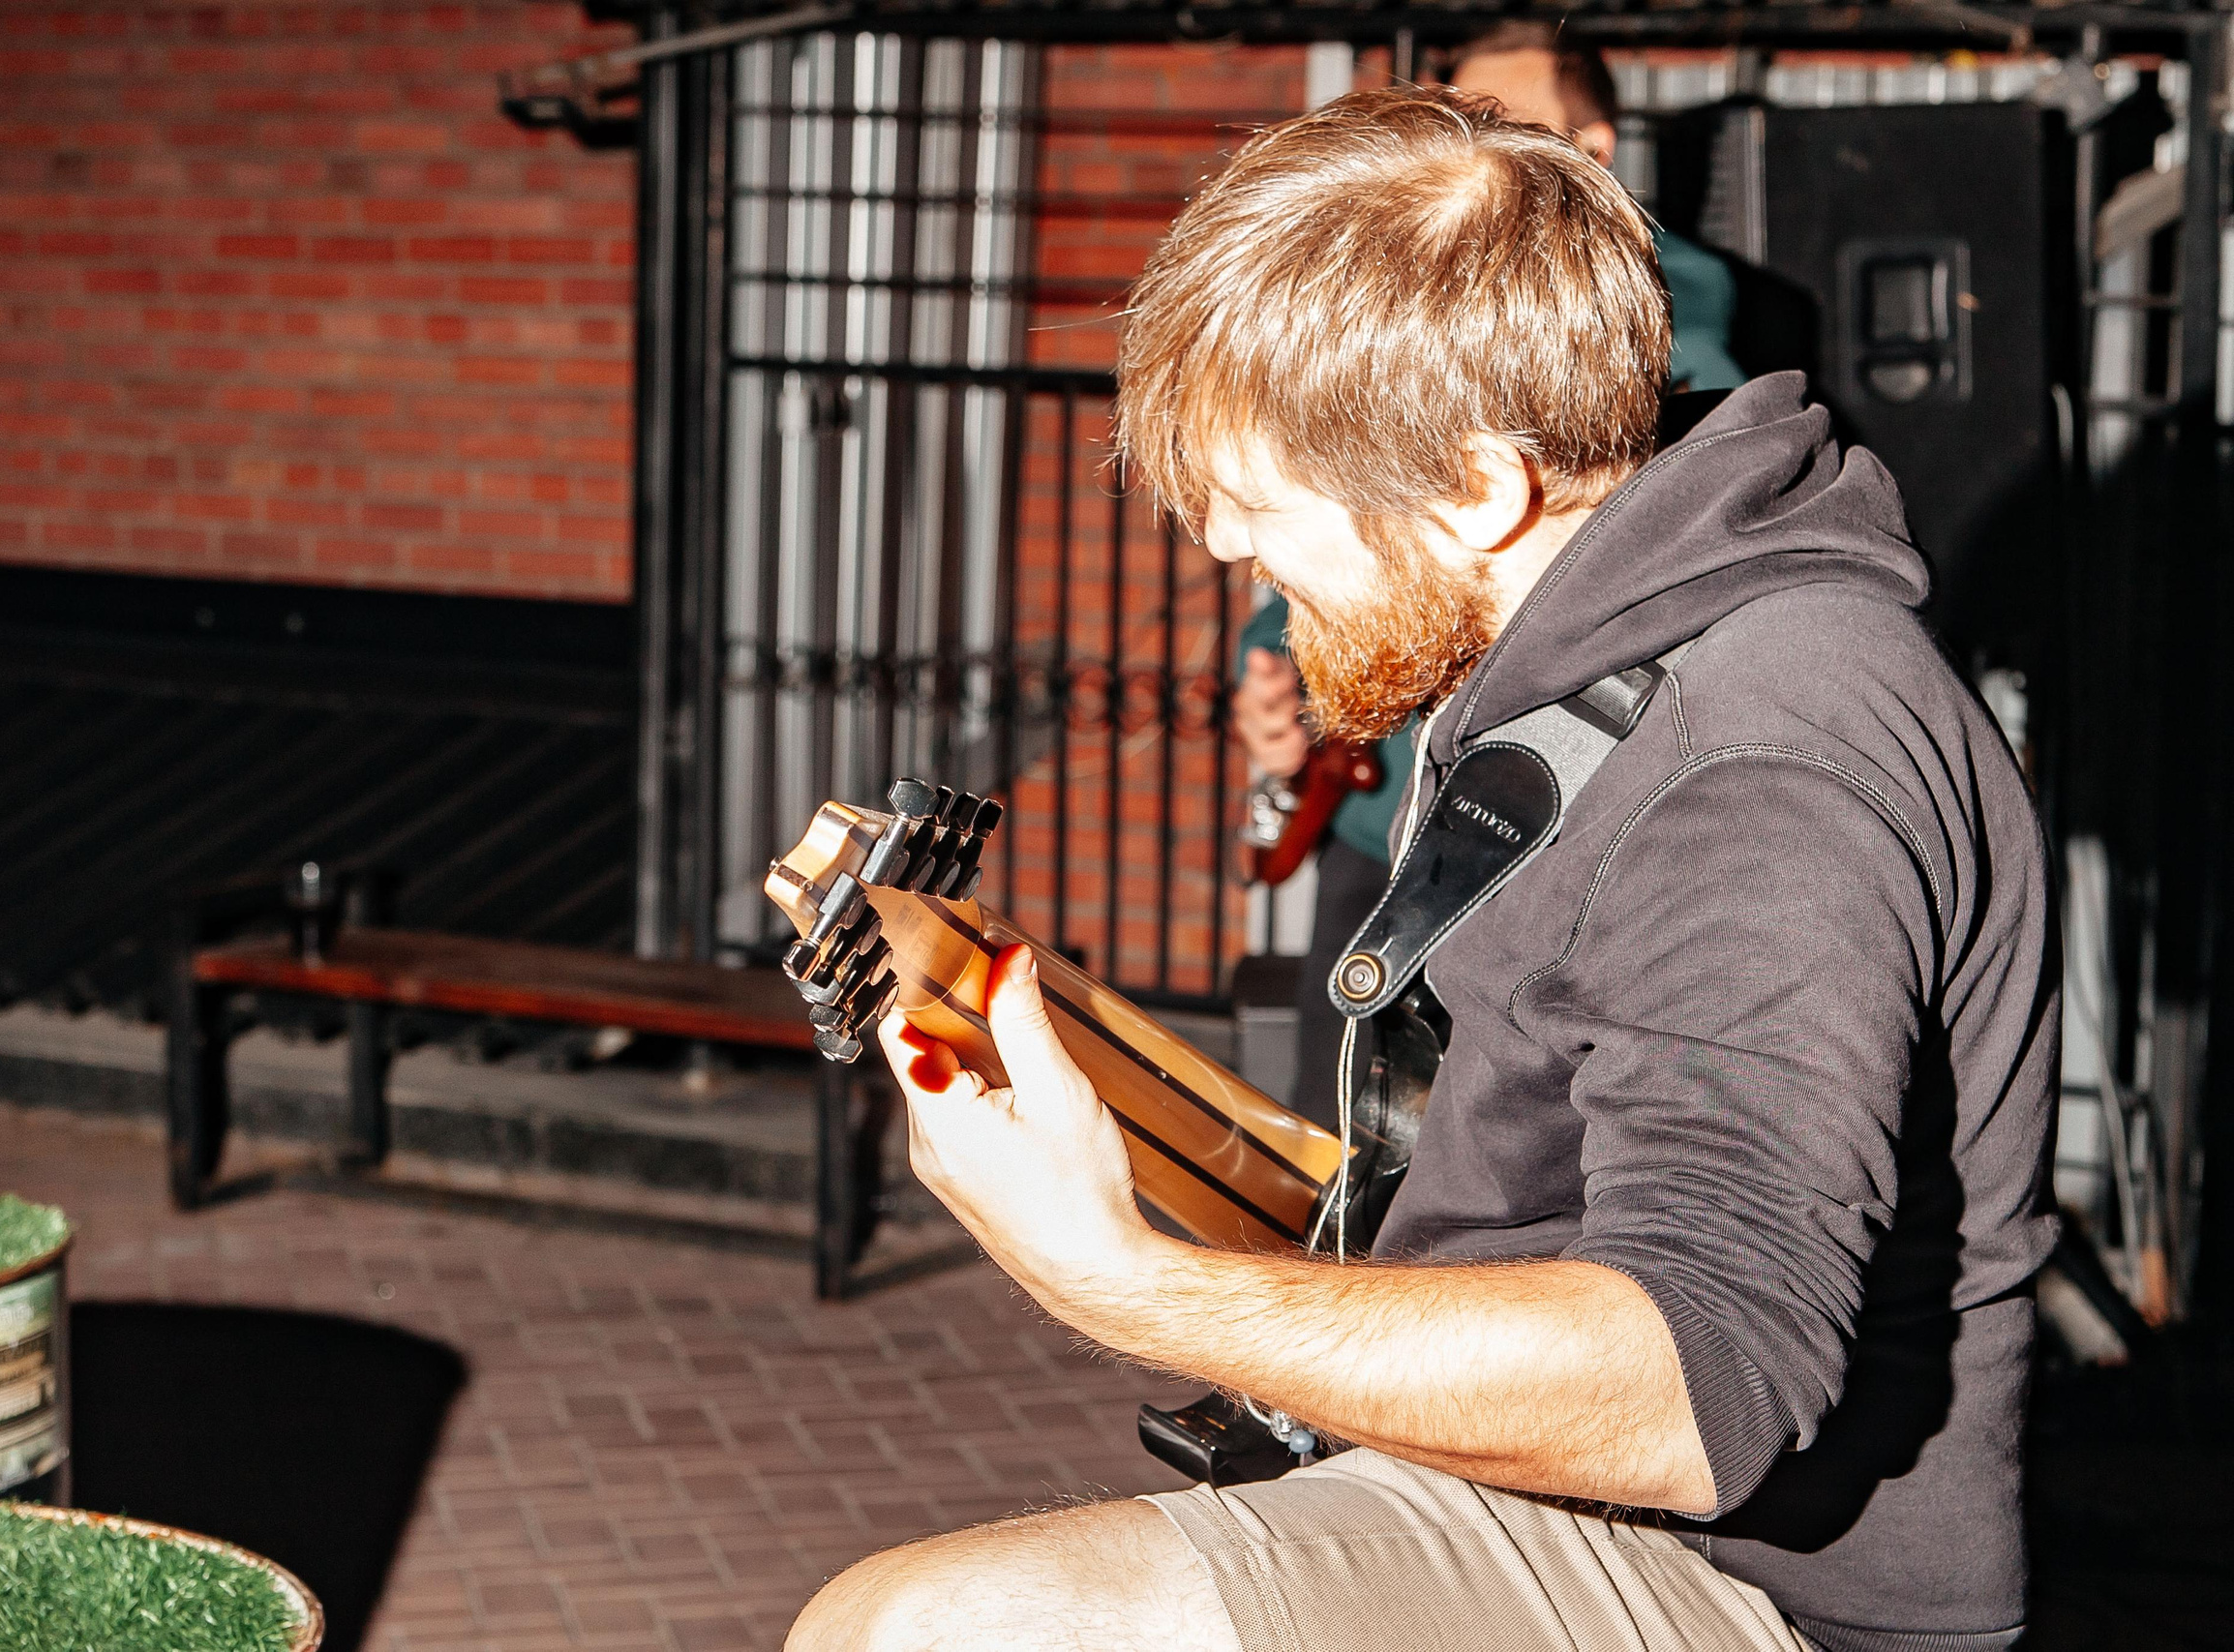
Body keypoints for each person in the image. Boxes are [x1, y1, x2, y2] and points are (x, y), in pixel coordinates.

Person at [791, 84, 2055, 1652]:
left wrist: (1115, 1275)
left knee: (949, 1632)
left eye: (1261, 512)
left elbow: (1690, 1386)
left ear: (1479, 483)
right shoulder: (1594, 629)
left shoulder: (1768, 753)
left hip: (1759, 1585)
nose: (1234, 561)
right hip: (1554, 1502)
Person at [1239, 23, 1746, 1129]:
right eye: (1454, 128)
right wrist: (1273, 677)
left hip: (1513, 818)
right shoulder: (1418, 302)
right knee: (1326, 1158)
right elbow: (1352, 512)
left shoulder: (1655, 314)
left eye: (1502, 132)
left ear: (1592, 148)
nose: (1469, 163)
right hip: (1376, 814)